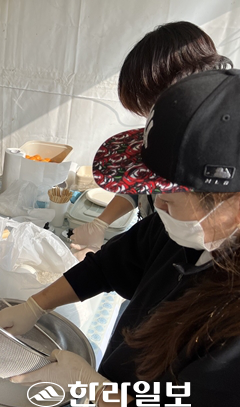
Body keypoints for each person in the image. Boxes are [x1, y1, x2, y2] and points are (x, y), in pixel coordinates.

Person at [0, 70, 240, 407]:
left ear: (232, 205)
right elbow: (108, 265)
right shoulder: (186, 231)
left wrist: (94, 387)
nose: (158, 205)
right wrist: (35, 305)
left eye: (170, 198)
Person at [71, 22, 231, 259]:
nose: (160, 203)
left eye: (154, 104)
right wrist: (101, 223)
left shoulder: (218, 146)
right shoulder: (171, 128)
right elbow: (140, 183)